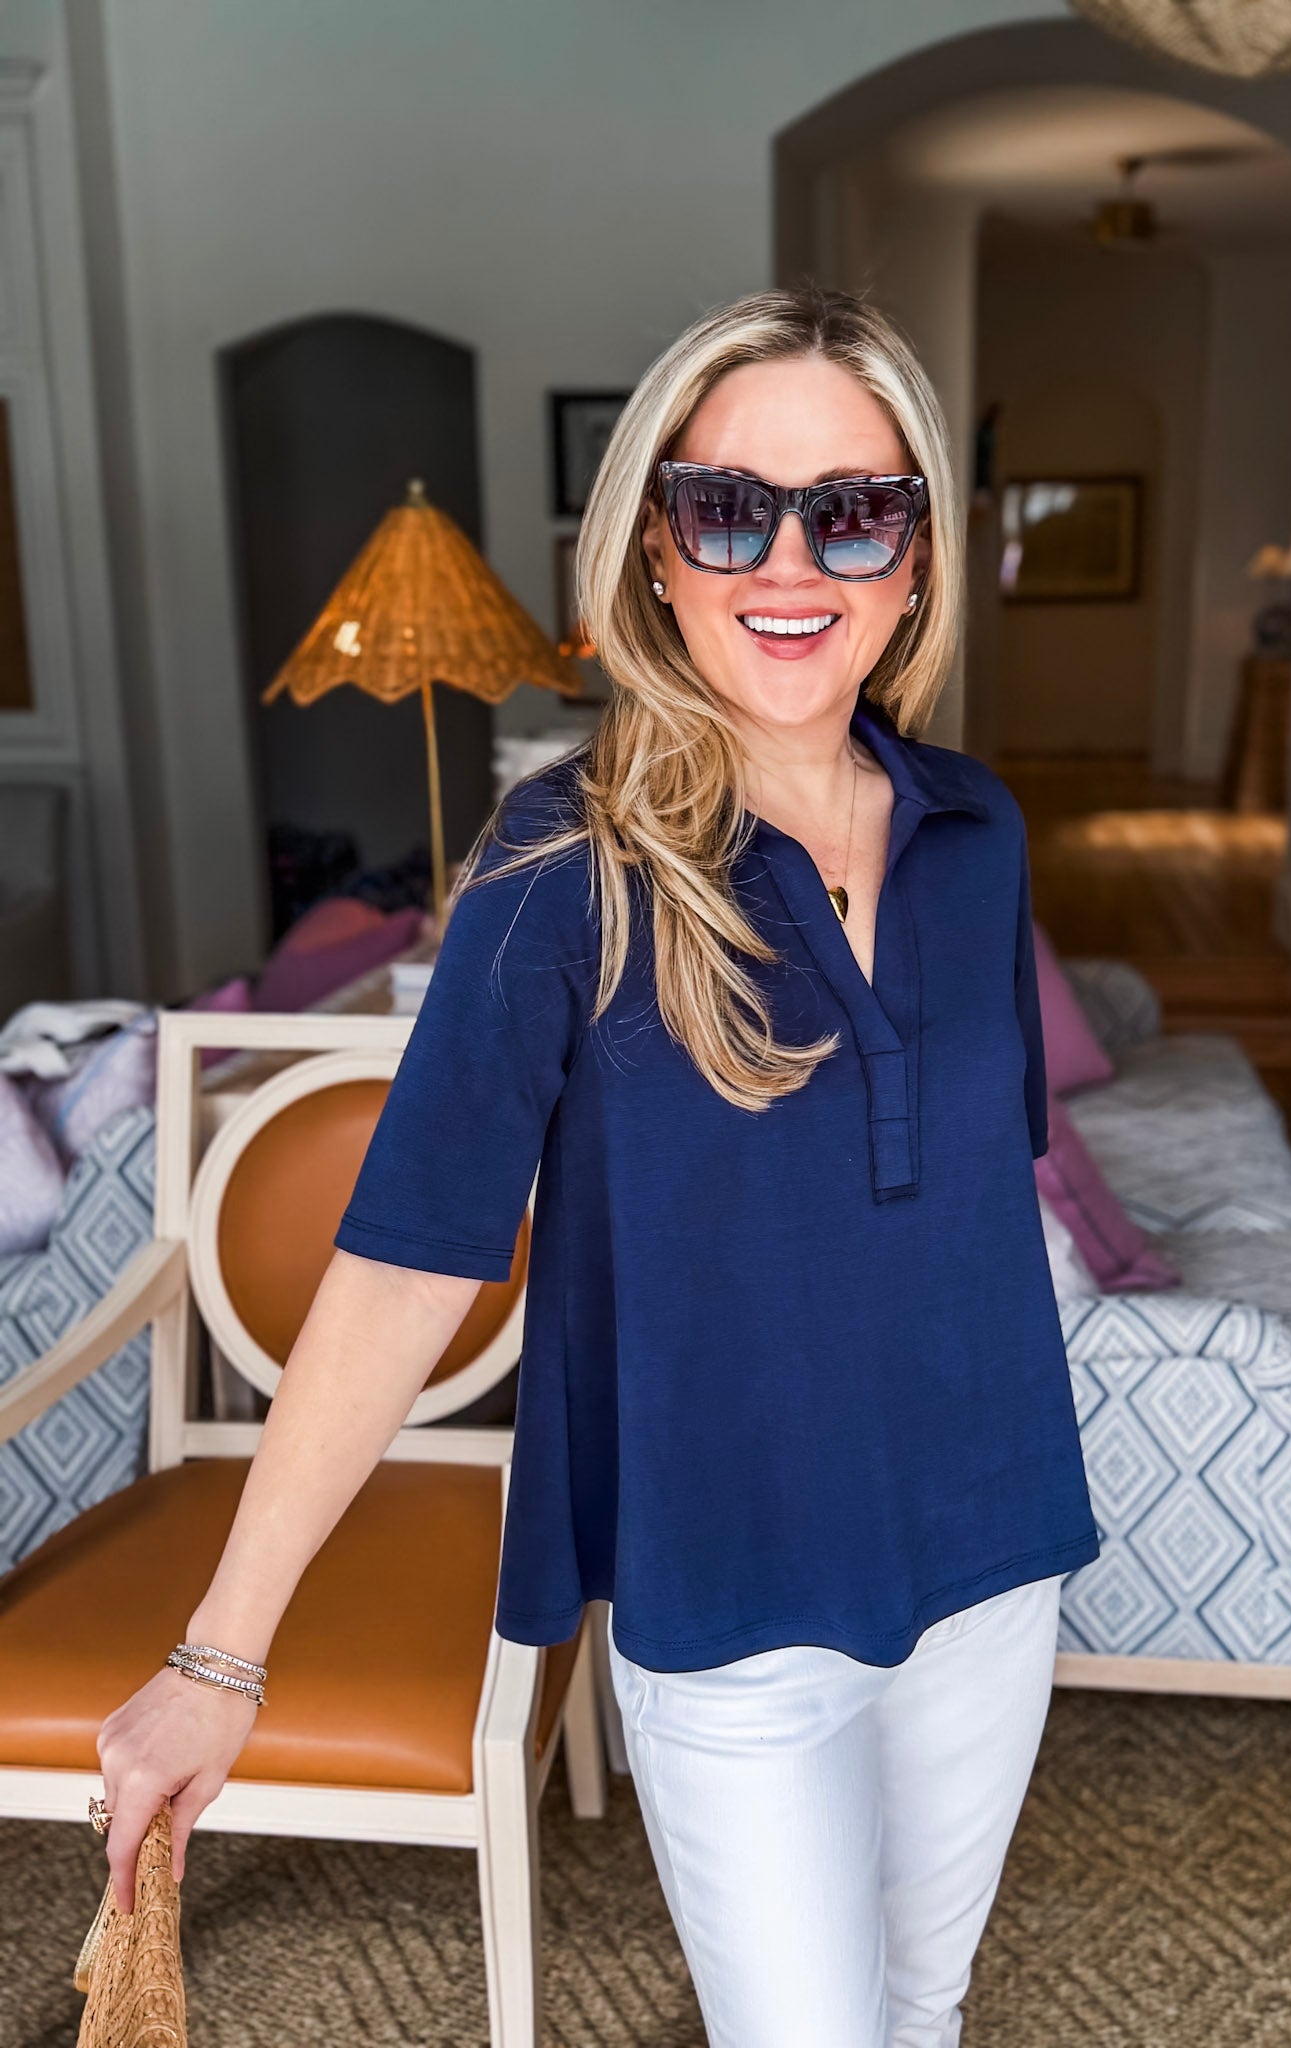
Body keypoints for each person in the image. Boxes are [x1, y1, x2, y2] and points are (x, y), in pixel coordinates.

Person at [96, 284, 1100, 2047]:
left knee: (924, 2006)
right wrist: (219, 1652)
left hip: (994, 1542)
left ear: (919, 558)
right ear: (654, 545)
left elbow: (972, 1203)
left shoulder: (977, 830)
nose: (790, 564)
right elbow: (408, 1260)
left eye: (855, 513)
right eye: (729, 508)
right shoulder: (562, 864)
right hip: (733, 1587)